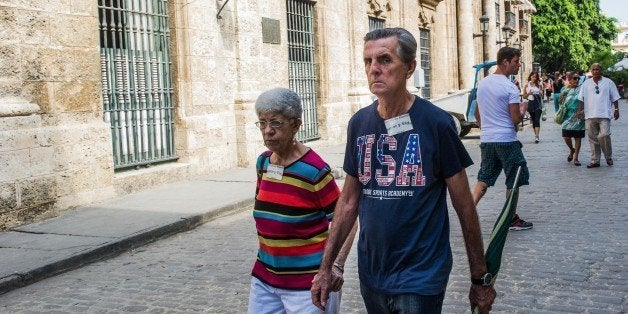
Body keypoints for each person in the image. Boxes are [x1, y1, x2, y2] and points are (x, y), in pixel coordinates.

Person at [310, 28, 495, 314]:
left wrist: (479, 277)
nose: (374, 69)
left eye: (385, 59)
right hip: (373, 273)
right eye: (368, 61)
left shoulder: (436, 123)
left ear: (409, 68)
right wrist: (326, 268)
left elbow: (464, 206)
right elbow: (347, 202)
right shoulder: (359, 124)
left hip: (420, 275)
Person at [248, 87, 357, 314]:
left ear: (296, 125)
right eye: (262, 123)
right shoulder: (264, 163)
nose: (268, 131)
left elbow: (348, 221)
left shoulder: (314, 170)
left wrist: (335, 267)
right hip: (265, 279)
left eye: (276, 123)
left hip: (309, 285)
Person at [472, 47, 533, 231]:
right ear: (505, 61)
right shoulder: (509, 87)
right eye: (516, 61)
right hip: (506, 139)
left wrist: (487, 128)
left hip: (488, 139)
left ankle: (467, 212)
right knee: (514, 178)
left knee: (484, 178)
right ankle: (510, 218)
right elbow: (515, 119)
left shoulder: (483, 83)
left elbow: (477, 113)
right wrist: (523, 110)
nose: (518, 65)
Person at [576, 63, 621, 168]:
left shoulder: (608, 82)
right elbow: (581, 98)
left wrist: (616, 109)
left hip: (604, 114)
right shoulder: (586, 84)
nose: (595, 71)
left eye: (597, 69)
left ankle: (608, 156)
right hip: (590, 115)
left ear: (601, 70)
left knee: (604, 135)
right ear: (591, 71)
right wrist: (579, 111)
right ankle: (595, 160)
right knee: (593, 139)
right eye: (593, 69)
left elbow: (615, 97)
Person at [559, 73, 586, 166]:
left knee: (578, 137)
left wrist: (582, 111)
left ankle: (576, 158)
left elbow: (585, 100)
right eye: (574, 78)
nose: (577, 80)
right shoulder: (564, 89)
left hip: (579, 115)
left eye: (578, 78)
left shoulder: (582, 89)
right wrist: (562, 97)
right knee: (566, 136)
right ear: (570, 80)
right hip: (567, 115)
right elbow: (560, 102)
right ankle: (572, 150)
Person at [523, 71, 543, 143]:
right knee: (534, 121)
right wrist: (529, 93)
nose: (534, 78)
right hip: (531, 103)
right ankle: (536, 135)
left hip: (538, 103)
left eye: (535, 77)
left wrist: (541, 93)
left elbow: (542, 95)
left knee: (537, 120)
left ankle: (537, 136)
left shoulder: (539, 85)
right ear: (530, 76)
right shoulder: (526, 85)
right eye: (533, 76)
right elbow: (524, 96)